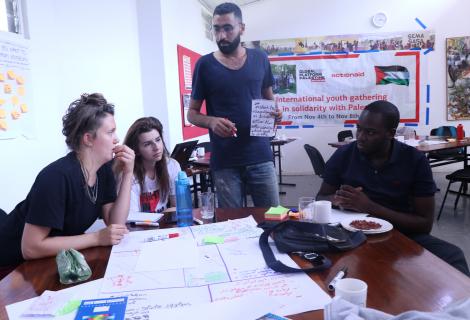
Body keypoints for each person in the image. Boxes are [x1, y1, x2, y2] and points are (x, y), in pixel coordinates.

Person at [317, 100, 469, 276]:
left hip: (402, 234)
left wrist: (369, 207)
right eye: (359, 128)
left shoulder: (415, 161)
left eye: (370, 132)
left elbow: (424, 224)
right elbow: (320, 197)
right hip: (350, 233)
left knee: (453, 256)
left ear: (390, 133)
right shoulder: (344, 154)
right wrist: (337, 199)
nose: (360, 137)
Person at [0, 93, 135, 268]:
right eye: (110, 132)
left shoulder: (104, 170)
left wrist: (128, 173)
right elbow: (30, 248)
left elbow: (115, 226)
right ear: (88, 139)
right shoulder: (56, 177)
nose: (117, 138)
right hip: (12, 265)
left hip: (52, 261)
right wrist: (96, 237)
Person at [188, 2, 282, 208]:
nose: (221, 36)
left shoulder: (260, 58)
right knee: (232, 226)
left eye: (228, 28)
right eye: (216, 29)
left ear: (241, 28)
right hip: (225, 160)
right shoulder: (204, 65)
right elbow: (192, 114)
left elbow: (269, 98)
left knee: (273, 218)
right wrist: (211, 121)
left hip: (260, 154)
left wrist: (276, 111)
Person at [120, 117, 181, 213]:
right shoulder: (129, 175)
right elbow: (133, 217)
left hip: (163, 225)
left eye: (158, 140)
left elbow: (179, 207)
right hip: (138, 227)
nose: (156, 147)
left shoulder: (172, 165)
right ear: (136, 150)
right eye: (147, 144)